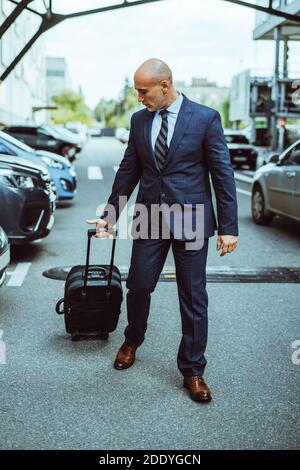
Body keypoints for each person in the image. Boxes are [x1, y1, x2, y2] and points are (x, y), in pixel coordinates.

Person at [87, 58, 238, 403]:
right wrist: (110, 215)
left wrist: (228, 227)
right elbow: (129, 170)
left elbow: (222, 174)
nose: (139, 97)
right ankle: (132, 339)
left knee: (193, 296)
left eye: (144, 90)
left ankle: (193, 370)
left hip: (192, 218)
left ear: (165, 85)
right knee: (139, 285)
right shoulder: (140, 121)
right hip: (150, 217)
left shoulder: (204, 118)